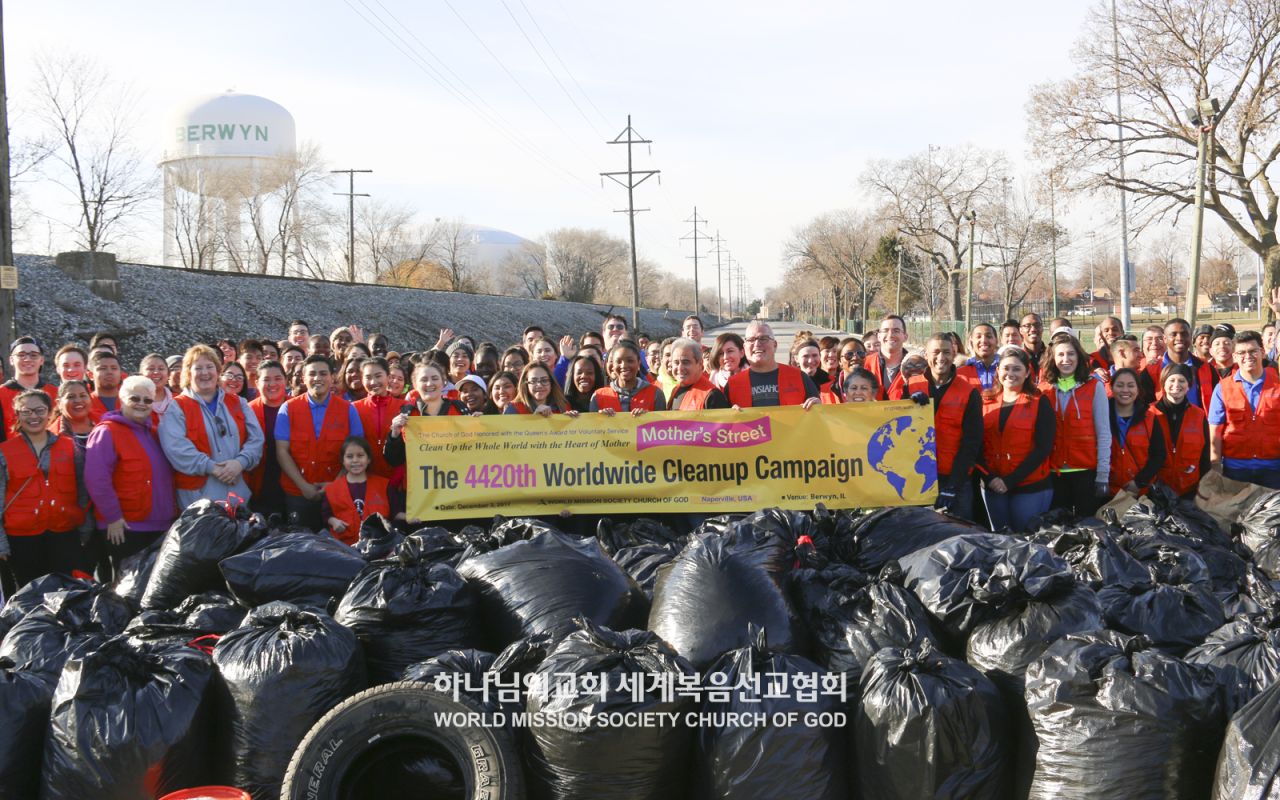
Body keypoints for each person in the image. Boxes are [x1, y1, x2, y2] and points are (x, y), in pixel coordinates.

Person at [85, 376, 178, 580]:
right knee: (126, 587)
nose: (141, 404)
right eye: (134, 398)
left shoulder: (155, 433)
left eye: (147, 400)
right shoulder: (106, 432)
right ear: (122, 398)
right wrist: (112, 517)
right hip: (125, 527)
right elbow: (97, 479)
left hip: (160, 526)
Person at [0, 389, 93, 589]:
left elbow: (83, 492)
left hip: (65, 533)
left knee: (71, 593)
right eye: (26, 412)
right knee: (30, 596)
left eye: (40, 410)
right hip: (22, 539)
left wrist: (85, 528)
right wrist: (1, 542)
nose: (33, 416)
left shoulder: (70, 447)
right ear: (17, 415)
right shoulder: (4, 451)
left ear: (50, 412)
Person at [159, 344, 264, 509]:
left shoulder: (238, 402)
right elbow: (176, 448)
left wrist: (240, 463)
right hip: (197, 499)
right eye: (198, 368)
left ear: (218, 371)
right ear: (188, 373)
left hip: (238, 494)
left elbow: (256, 439)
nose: (205, 373)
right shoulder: (177, 407)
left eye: (210, 367)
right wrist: (212, 468)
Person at [274, 354, 364, 530]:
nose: (317, 378)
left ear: (332, 377)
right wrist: (303, 486)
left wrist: (335, 485)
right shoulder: (288, 409)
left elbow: (358, 451)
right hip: (297, 492)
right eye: (312, 374)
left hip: (338, 492)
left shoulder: (348, 410)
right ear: (303, 378)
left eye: (323, 374)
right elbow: (282, 451)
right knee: (300, 540)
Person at [981, 347, 1055, 532]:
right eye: (1006, 368)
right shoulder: (985, 401)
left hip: (1029, 486)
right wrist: (990, 478)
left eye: (1017, 369)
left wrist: (1010, 481)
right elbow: (976, 445)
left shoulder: (1039, 402)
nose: (1010, 373)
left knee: (1026, 539)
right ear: (998, 370)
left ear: (1027, 372)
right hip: (992, 485)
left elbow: (1043, 448)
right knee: (1000, 539)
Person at [1039, 331, 1111, 517]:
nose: (1066, 359)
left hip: (1086, 472)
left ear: (1079, 356)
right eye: (1060, 354)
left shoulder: (1094, 387)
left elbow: (1103, 433)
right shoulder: (1043, 390)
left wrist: (1102, 475)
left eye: (1071, 354)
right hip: (1053, 473)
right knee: (1057, 528)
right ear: (1052, 358)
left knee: (1086, 527)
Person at [921, 335, 983, 521]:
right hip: (918, 478)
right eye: (936, 352)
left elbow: (972, 442)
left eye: (946, 352)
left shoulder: (969, 392)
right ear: (926, 355)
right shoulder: (911, 387)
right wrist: (908, 402)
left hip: (956, 480)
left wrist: (953, 485)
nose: (941, 357)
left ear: (954, 354)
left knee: (959, 532)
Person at [1209, 330, 1280, 488]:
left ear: (1262, 352)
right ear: (1234, 356)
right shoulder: (1222, 388)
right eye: (1241, 353)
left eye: (1253, 351)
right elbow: (1215, 432)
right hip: (1235, 469)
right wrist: (1215, 466)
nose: (1247, 356)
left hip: (1273, 469)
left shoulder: (1278, 384)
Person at [726, 321, 820, 409]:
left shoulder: (799, 377)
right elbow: (721, 420)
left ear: (775, 345)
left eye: (763, 339)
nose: (757, 344)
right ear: (744, 347)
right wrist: (729, 415)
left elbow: (819, 417)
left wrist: (818, 406)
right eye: (751, 340)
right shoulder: (732, 385)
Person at [1107, 368, 1166, 496]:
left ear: (1138, 389)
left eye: (1131, 386)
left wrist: (1139, 482)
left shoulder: (1149, 417)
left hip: (1141, 492)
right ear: (1111, 388)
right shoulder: (1100, 415)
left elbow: (1159, 454)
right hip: (1107, 491)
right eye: (1119, 385)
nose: (1125, 390)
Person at [322, 436, 391, 546]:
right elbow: (326, 515)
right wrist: (333, 521)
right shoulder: (332, 489)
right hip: (344, 548)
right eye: (349, 456)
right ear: (343, 461)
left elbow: (396, 514)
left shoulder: (384, 485)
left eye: (360, 455)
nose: (355, 460)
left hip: (378, 547)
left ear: (368, 459)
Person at [1157, 363, 1210, 498]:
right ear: (1163, 384)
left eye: (1182, 381)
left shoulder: (1199, 415)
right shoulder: (1150, 414)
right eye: (1172, 380)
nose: (1176, 385)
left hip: (1189, 490)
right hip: (1156, 490)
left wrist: (1204, 487)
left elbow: (1205, 455)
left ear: (1188, 386)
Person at [247, 360, 289, 519]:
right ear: (257, 382)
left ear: (286, 380)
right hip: (258, 483)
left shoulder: (298, 406)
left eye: (278, 378)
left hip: (293, 484)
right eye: (266, 379)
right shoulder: (247, 410)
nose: (272, 384)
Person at [1140, 318, 1213, 408]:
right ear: (1165, 339)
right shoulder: (1151, 370)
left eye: (1184, 334)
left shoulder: (1206, 367)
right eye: (1173, 334)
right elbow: (1144, 405)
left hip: (1199, 417)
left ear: (1191, 337)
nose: (1179, 338)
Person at [0, 337, 58, 439]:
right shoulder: (1, 393)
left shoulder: (55, 393)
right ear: (11, 360)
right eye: (21, 355)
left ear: (41, 360)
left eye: (34, 355)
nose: (27, 359)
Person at [591, 341, 667, 415]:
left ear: (639, 363)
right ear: (613, 365)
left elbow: (662, 422)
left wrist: (648, 417)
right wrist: (601, 418)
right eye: (618, 361)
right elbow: (592, 422)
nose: (624, 365)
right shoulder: (599, 396)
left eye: (630, 361)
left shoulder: (655, 394)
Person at [666, 338, 730, 410]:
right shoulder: (675, 391)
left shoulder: (713, 396)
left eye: (686, 362)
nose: (680, 368)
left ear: (700, 364)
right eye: (676, 362)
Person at [862, 315, 908, 400]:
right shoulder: (865, 363)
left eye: (896, 330)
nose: (890, 335)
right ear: (879, 336)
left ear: (905, 337)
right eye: (885, 330)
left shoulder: (917, 367)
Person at [505, 362, 576, 416]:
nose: (539, 385)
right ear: (526, 384)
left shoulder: (563, 406)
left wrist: (570, 422)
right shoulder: (514, 409)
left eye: (544, 380)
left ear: (551, 383)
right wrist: (536, 419)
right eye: (533, 381)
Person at [50, 380, 96, 448]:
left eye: (83, 395)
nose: (78, 400)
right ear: (59, 403)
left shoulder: (104, 422)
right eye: (71, 397)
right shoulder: (52, 436)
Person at [792, 338, 840, 404]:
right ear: (796, 359)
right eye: (805, 356)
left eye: (814, 355)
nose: (810, 361)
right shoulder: (789, 380)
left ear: (820, 356)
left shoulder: (831, 382)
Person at [960, 323, 1000, 392]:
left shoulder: (1007, 369)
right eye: (978, 337)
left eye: (989, 336)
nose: (984, 340)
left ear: (996, 341)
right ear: (971, 342)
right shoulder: (960, 374)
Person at [88, 349, 123, 418]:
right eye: (103, 368)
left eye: (114, 368)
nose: (109, 372)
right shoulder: (84, 404)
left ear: (120, 373)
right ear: (90, 375)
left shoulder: (131, 401)